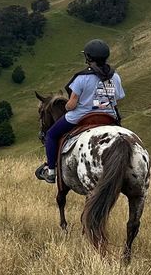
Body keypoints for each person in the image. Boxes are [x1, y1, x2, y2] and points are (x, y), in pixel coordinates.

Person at [36, 39, 124, 183]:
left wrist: (67, 107)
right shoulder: (115, 76)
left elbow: (71, 105)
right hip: (108, 117)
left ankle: (51, 171)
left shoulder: (81, 78)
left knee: (51, 134)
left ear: (88, 58)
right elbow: (117, 100)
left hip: (82, 117)